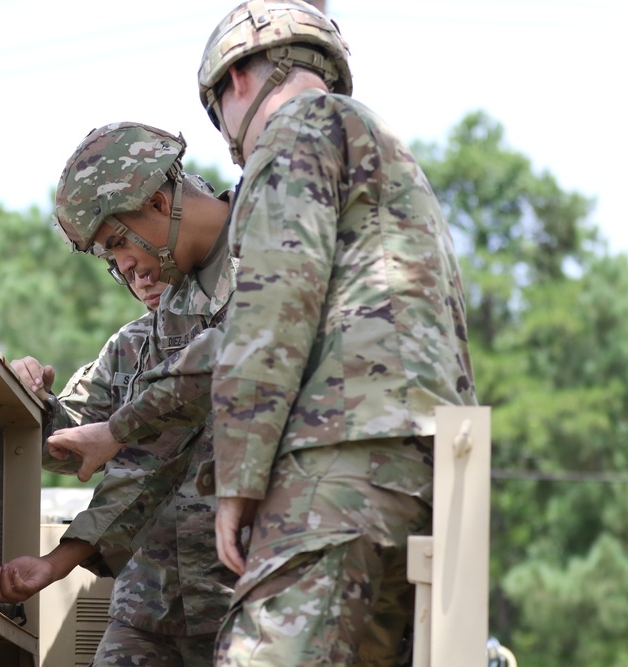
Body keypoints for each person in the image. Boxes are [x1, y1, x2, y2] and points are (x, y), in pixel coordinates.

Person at [195, 1, 478, 665]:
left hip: (340, 460)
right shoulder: (386, 151)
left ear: (235, 80)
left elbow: (271, 308)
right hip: (419, 469)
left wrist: (236, 479)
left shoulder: (294, 128)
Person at [0, 122, 239, 666]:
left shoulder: (272, 260)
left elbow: (157, 443)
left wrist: (62, 559)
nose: (127, 270)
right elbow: (82, 444)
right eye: (111, 258)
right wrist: (22, 398)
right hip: (154, 602)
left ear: (157, 203)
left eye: (120, 244)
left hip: (245, 588)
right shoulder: (139, 341)